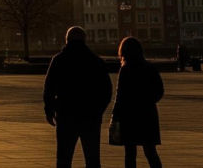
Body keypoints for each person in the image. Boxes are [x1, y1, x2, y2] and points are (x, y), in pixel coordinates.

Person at [43, 26, 112, 168]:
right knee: (92, 158)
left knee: (64, 158)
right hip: (90, 116)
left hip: (66, 115)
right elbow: (106, 90)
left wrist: (49, 110)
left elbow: (49, 87)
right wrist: (98, 110)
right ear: (85, 40)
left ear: (67, 40)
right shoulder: (95, 60)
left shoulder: (59, 60)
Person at [111, 36, 164, 168]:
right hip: (148, 114)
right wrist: (148, 101)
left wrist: (114, 115)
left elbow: (120, 95)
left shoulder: (126, 69)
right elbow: (159, 90)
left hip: (129, 116)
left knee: (130, 153)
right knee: (150, 151)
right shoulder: (150, 68)